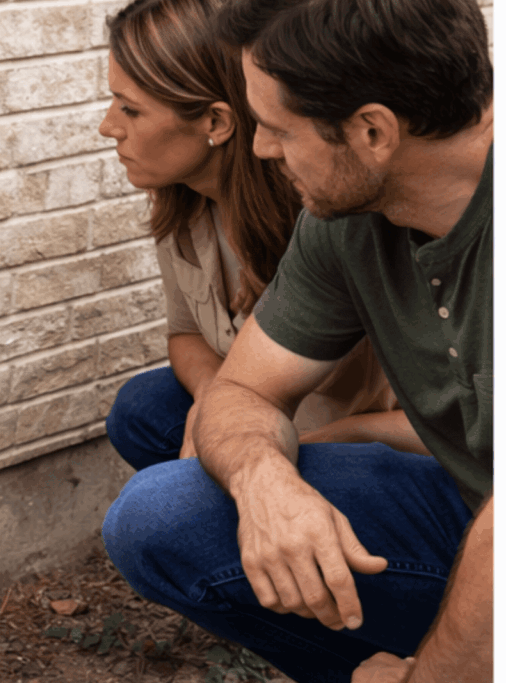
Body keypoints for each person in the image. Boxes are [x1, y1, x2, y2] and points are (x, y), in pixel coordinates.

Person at [102, 0, 492, 681]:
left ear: (373, 130)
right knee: (160, 516)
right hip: (465, 502)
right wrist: (265, 481)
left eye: (279, 128)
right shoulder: (350, 215)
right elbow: (244, 388)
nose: (260, 148)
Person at [98, 0, 418, 472]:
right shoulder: (180, 198)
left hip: (360, 434)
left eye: (130, 110)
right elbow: (186, 332)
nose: (107, 127)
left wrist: (284, 449)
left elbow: (438, 419)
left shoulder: (327, 210)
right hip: (258, 417)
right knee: (142, 410)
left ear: (216, 122)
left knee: (157, 511)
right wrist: (213, 397)